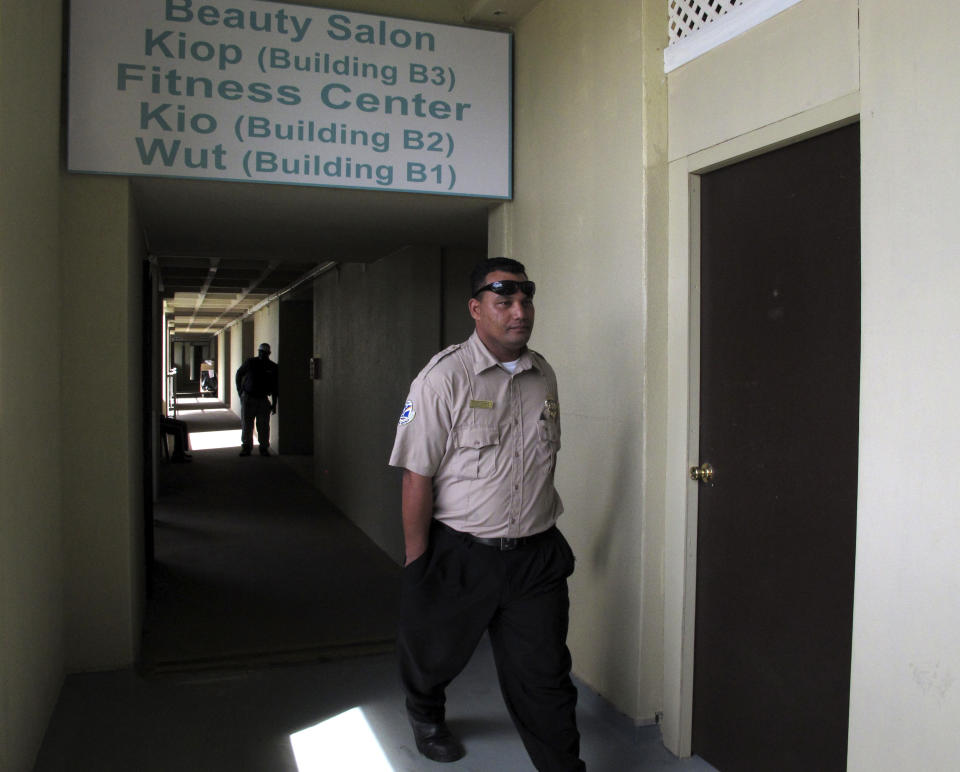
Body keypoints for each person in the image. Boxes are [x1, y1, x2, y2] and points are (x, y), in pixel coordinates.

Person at [389, 257, 584, 771]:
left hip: (536, 556)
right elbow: (416, 475)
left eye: (525, 300)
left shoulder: (544, 375)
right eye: (505, 302)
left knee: (545, 676)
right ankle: (425, 712)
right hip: (462, 551)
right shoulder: (443, 377)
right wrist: (418, 565)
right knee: (434, 652)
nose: (519, 312)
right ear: (477, 309)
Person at [235, 342, 278, 456]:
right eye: (260, 352)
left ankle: (263, 448)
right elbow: (239, 374)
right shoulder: (250, 362)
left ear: (268, 353)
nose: (261, 354)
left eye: (264, 352)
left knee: (263, 426)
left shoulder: (272, 367)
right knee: (247, 424)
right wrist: (240, 392)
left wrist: (274, 404)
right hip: (248, 398)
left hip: (263, 399)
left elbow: (275, 387)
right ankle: (246, 447)